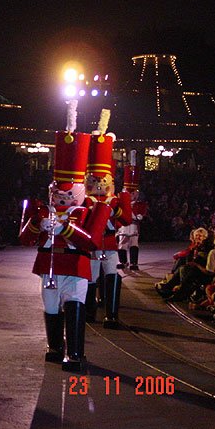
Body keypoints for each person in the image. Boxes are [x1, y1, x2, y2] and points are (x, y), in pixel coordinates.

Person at [19, 102, 110, 372]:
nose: (61, 198)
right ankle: (55, 347)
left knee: (73, 304)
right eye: (58, 193)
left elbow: (91, 241)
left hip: (75, 265)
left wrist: (64, 229)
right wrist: (38, 224)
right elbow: (24, 239)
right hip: (48, 265)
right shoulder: (40, 209)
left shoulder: (93, 210)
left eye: (67, 194)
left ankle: (76, 353)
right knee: (50, 306)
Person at [83, 109, 132, 328]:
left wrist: (118, 207)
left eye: (102, 181)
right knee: (91, 278)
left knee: (112, 274)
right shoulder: (86, 200)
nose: (99, 184)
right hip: (94, 244)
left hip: (110, 243)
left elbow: (126, 220)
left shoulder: (114, 200)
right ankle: (89, 312)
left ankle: (111, 314)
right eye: (95, 181)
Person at [116, 150, 148, 272]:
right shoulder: (120, 203)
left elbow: (142, 212)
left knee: (134, 243)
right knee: (122, 243)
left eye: (133, 193)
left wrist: (139, 215)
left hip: (133, 225)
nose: (131, 195)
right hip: (123, 226)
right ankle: (123, 261)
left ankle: (134, 262)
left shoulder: (139, 203)